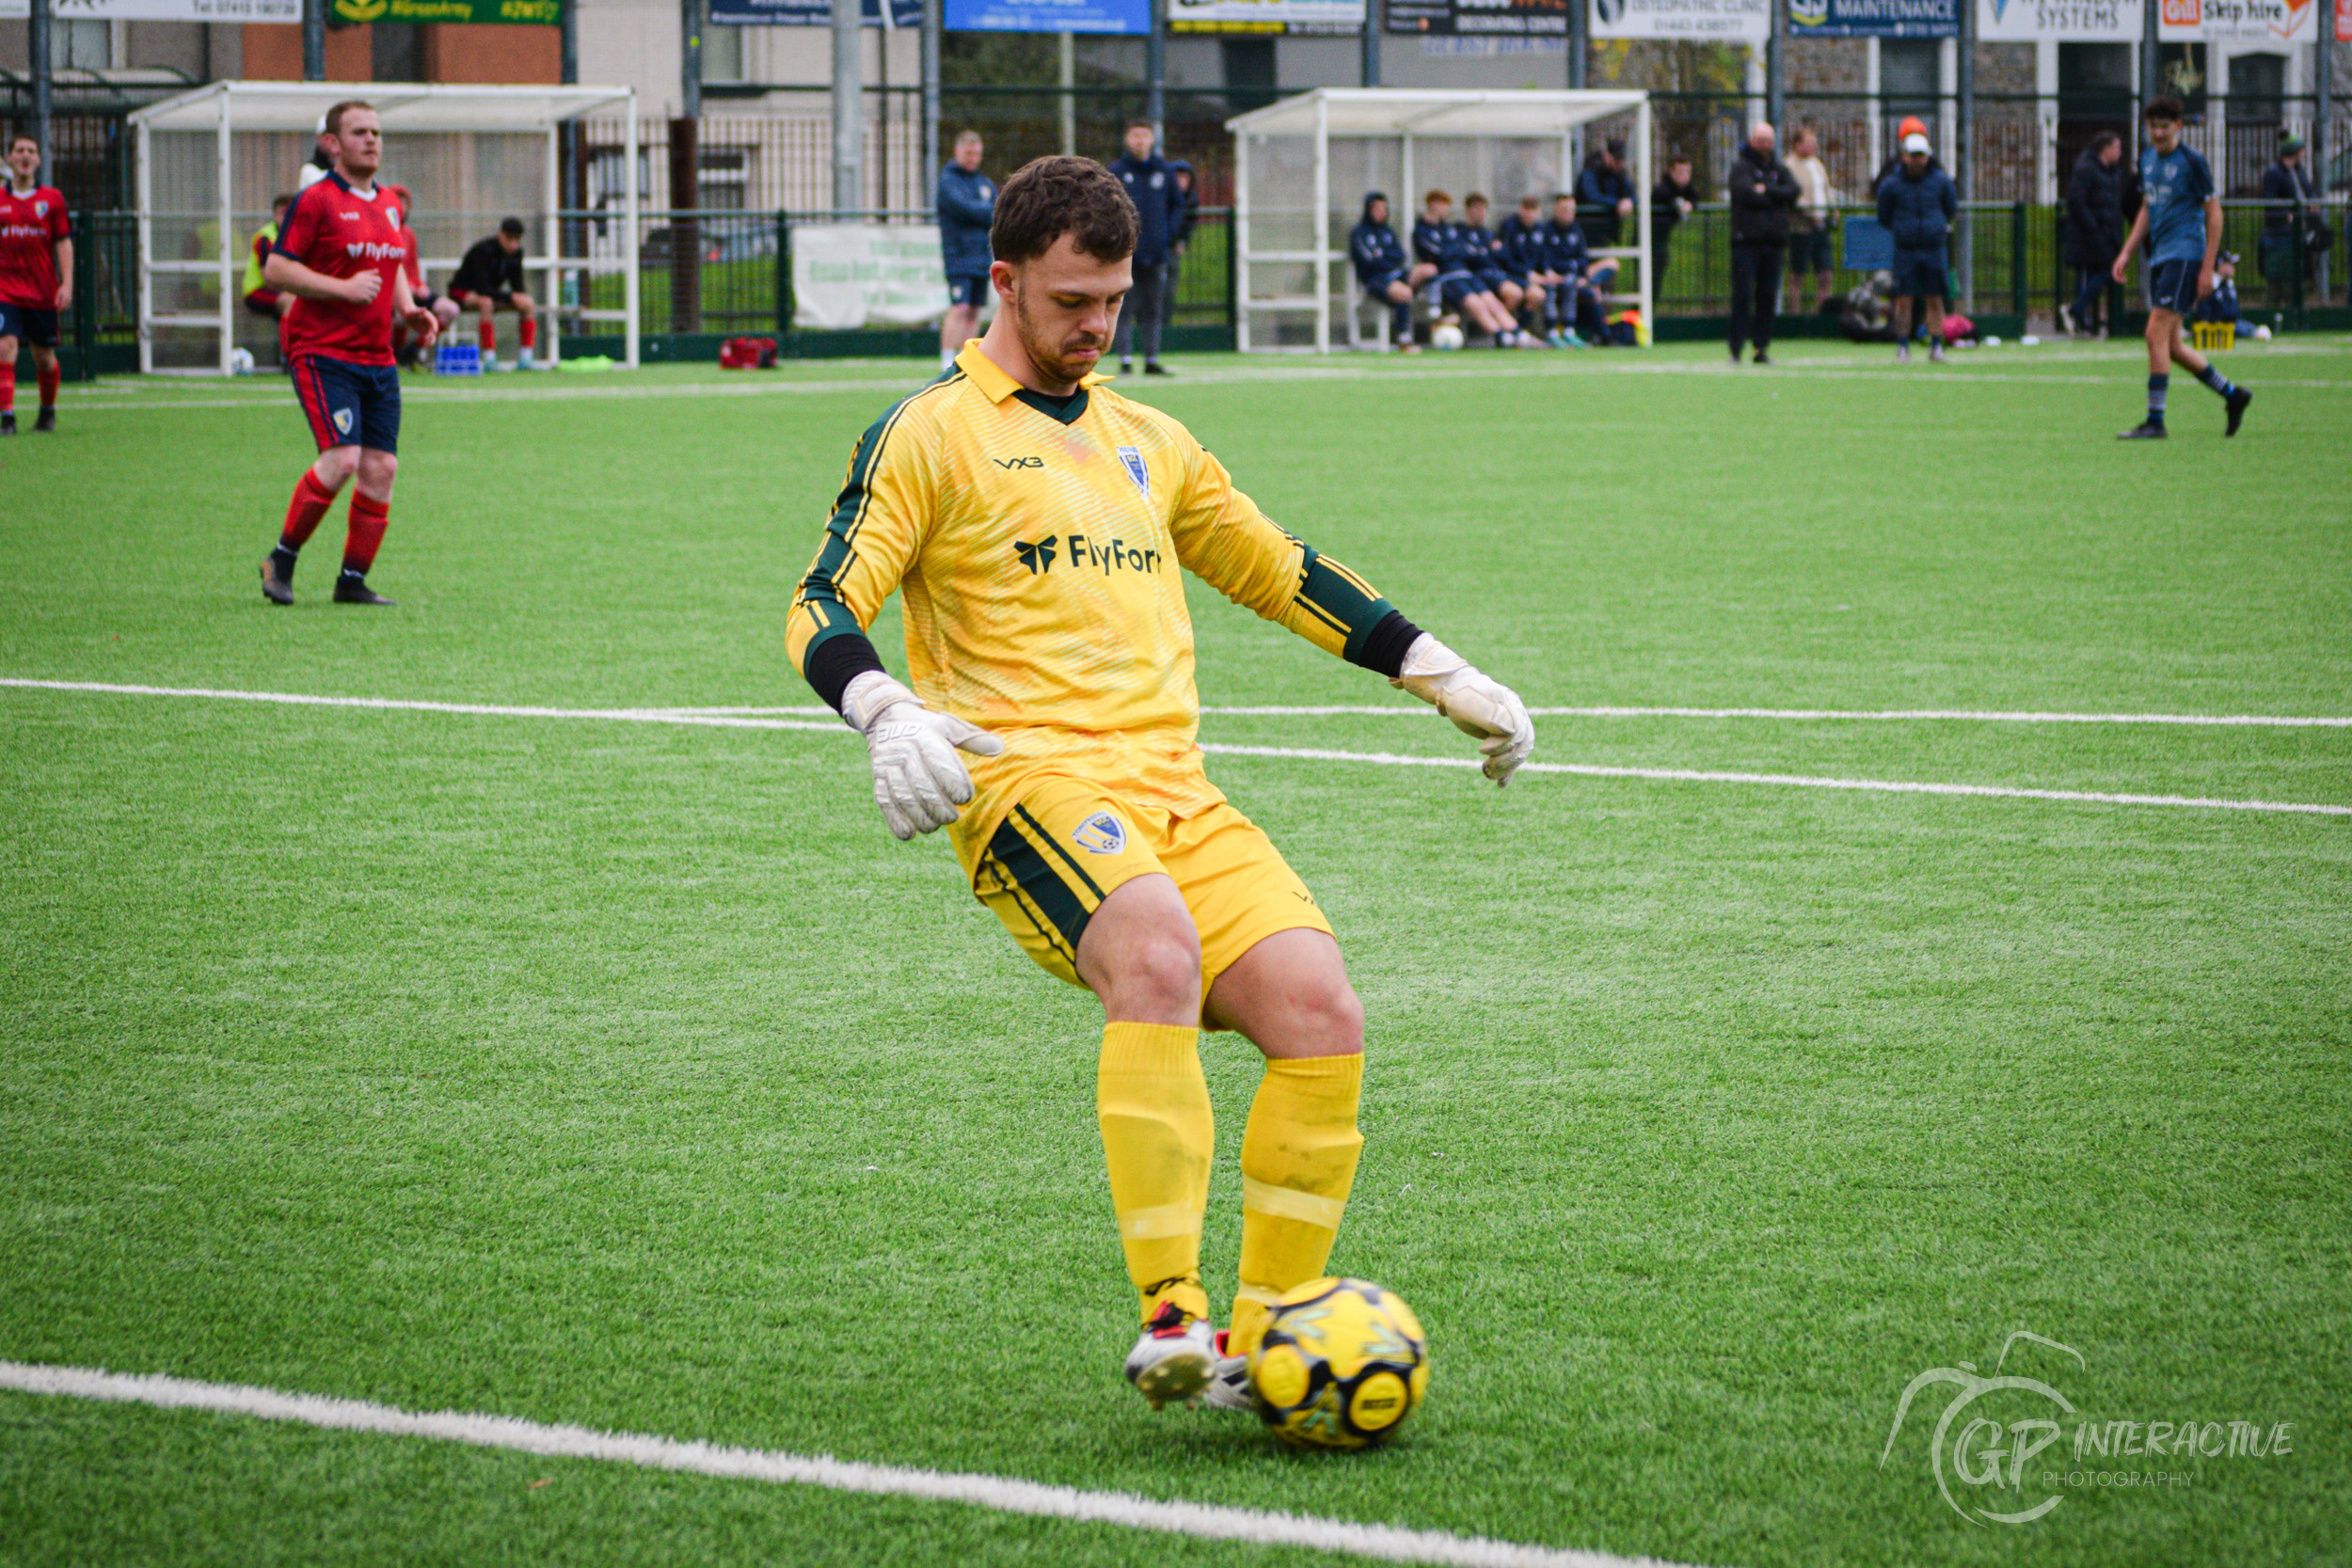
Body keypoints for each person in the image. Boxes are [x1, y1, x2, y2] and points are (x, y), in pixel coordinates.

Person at [783, 154, 1534, 1415]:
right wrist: (879, 705)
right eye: (1073, 301)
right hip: (1025, 784)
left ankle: (1265, 1331)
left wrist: (1439, 669)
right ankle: (1173, 1315)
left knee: (1320, 1010)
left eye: (1115, 300)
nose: (1097, 326)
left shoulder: (1151, 438)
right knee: (1157, 949)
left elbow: (1276, 566)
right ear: (1004, 281)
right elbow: (820, 604)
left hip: (1175, 785)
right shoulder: (930, 433)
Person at [258, 100, 440, 607]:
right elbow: (277, 269)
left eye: (377, 132)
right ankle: (282, 559)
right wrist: (342, 288)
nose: (372, 141)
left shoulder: (387, 203)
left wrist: (408, 309)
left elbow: (392, 263)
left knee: (381, 468)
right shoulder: (314, 200)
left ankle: (352, 581)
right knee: (342, 459)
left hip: (377, 357)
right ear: (332, 144)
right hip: (322, 353)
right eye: (359, 132)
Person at [2111, 96, 2251, 439]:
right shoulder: (2147, 160)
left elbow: (2214, 214)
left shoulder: (2192, 162)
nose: (2158, 133)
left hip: (2186, 256)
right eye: (2153, 127)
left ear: (2178, 126)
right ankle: (2233, 395)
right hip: (2161, 256)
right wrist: (2127, 251)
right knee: (2172, 346)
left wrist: (2208, 268)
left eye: (2164, 126)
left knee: (2153, 333)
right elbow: (2148, 207)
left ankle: (2155, 422)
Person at [0, 132, 73, 435]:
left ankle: (47, 412)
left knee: (43, 357)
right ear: (10, 159)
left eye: (31, 151)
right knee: (5, 346)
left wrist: (66, 284)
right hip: (5, 288)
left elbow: (63, 243)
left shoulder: (52, 199)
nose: (26, 156)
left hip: (42, 290)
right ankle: (7, 417)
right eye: (20, 151)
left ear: (39, 160)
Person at [1108, 121, 1184, 375]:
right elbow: (1106, 206)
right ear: (1127, 140)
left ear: (1152, 139)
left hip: (1157, 252)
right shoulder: (1117, 171)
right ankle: (1126, 359)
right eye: (1135, 135)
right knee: (1123, 306)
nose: (1140, 141)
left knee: (1153, 306)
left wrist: (1168, 235)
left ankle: (1151, 359)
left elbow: (1177, 205)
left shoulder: (1165, 171)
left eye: (1144, 135)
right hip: (1126, 254)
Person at [1877, 132, 1957, 364]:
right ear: (1904, 157)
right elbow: (1883, 215)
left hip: (1933, 248)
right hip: (1906, 249)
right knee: (1904, 299)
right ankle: (1903, 346)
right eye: (1913, 155)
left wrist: (1935, 228)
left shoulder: (1941, 181)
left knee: (1935, 298)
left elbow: (1950, 209)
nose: (1917, 160)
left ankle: (1936, 345)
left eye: (1920, 155)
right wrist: (1904, 229)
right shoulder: (1892, 184)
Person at [1411, 190, 1523, 345]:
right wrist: (1455, 251)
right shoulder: (1421, 230)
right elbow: (1438, 255)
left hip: (1467, 273)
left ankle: (1519, 334)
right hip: (1448, 277)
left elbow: (1464, 252)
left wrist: (1454, 251)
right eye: (1444, 205)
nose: (1447, 209)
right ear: (1433, 205)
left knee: (1492, 301)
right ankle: (1501, 336)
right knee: (1476, 304)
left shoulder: (1449, 229)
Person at [1726, 122, 1798, 365]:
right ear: (1752, 140)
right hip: (1746, 243)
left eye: (1769, 140)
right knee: (1743, 296)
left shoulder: (1779, 168)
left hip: (1774, 242)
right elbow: (1745, 193)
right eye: (1761, 140)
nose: (1765, 145)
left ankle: (1761, 348)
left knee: (1767, 296)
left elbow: (1793, 191)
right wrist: (1775, 197)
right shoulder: (1741, 167)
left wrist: (1766, 190)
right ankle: (1736, 349)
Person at [936, 130, 995, 371]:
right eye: (968, 153)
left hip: (982, 257)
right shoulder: (948, 181)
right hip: (958, 256)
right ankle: (945, 360)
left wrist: (984, 212)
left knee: (974, 310)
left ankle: (966, 359)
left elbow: (998, 210)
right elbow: (965, 209)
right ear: (957, 152)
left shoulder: (984, 183)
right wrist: (985, 212)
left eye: (977, 154)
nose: (973, 158)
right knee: (959, 307)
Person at [448, 217, 538, 372]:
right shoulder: (483, 250)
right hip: (463, 291)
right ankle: (489, 359)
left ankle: (526, 358)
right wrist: (510, 298)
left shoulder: (516, 254)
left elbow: (517, 283)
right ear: (500, 235)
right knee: (486, 303)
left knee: (528, 303)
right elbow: (481, 286)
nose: (513, 244)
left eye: (517, 240)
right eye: (509, 239)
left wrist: (520, 297)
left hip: (490, 294)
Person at [386, 185, 458, 370]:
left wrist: (419, 284)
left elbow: (412, 267)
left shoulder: (409, 233)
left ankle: (414, 349)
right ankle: (396, 355)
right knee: (401, 317)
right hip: (389, 291)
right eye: (397, 202)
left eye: (405, 203)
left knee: (450, 310)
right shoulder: (382, 230)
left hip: (411, 289)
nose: (402, 207)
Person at [2060, 132, 2123, 338]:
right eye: (2116, 148)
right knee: (2091, 275)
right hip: (2087, 236)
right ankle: (2078, 315)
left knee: (2106, 272)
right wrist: (2094, 228)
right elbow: (2077, 202)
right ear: (2105, 149)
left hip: (2105, 233)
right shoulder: (2086, 169)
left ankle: (2078, 314)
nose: (2119, 153)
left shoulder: (2111, 172)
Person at [1348, 192, 1423, 352]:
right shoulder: (1359, 233)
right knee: (1403, 293)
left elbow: (1400, 255)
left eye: (1384, 209)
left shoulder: (1388, 231)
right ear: (1368, 210)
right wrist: (1386, 258)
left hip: (1395, 274)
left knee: (1427, 270)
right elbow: (1368, 261)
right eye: (1377, 208)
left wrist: (1382, 254)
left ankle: (1435, 314)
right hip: (1374, 280)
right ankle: (1404, 338)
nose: (1381, 212)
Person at [2257, 133, 2316, 308]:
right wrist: (2286, 214)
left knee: (2296, 277)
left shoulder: (2298, 170)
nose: (2303, 154)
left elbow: (2307, 190)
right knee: (2276, 278)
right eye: (2301, 150)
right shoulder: (2273, 173)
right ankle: (2273, 311)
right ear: (2292, 152)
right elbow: (2270, 200)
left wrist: (2312, 202)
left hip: (2297, 232)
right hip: (2279, 234)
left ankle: (2294, 312)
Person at [1542, 192, 1607, 346]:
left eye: (1571, 210)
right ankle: (1552, 332)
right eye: (1564, 209)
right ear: (1556, 210)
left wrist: (1584, 277)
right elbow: (1546, 259)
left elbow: (1582, 258)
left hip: (1572, 277)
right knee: (1550, 287)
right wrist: (1552, 271)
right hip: (1552, 277)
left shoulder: (1576, 230)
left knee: (1577, 286)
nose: (1568, 213)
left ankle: (1571, 332)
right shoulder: (1547, 230)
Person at [1785, 129, 1836, 315]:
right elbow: (1793, 196)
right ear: (1797, 144)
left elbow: (1826, 188)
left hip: (1822, 227)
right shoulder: (1789, 166)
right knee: (1797, 275)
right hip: (1801, 228)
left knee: (1825, 274)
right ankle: (1794, 316)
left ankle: (1822, 314)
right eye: (1809, 142)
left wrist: (1832, 208)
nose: (1814, 146)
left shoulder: (1817, 163)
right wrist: (1811, 212)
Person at [1458, 194, 1527, 320]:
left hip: (1499, 272)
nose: (1481, 213)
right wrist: (1487, 252)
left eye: (1483, 209)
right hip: (1480, 275)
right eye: (1477, 208)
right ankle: (1504, 327)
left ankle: (1514, 326)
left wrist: (1489, 252)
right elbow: (1469, 256)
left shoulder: (1487, 233)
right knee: (1514, 293)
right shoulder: (1460, 231)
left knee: (1536, 294)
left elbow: (1504, 255)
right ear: (1468, 210)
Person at [244, 195, 296, 350]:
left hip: (280, 290)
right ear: (274, 215)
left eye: (288, 212)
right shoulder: (265, 238)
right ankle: (288, 354)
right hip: (256, 291)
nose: (285, 217)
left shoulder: (294, 236)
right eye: (281, 213)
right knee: (289, 301)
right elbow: (269, 277)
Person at [1497, 195, 1553, 339]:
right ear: (1521, 210)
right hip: (1510, 275)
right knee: (1525, 294)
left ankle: (1521, 330)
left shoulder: (1541, 229)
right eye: (1526, 209)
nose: (1529, 214)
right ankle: (1507, 332)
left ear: (1538, 211)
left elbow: (1544, 255)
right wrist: (1528, 274)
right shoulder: (1510, 227)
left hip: (1532, 277)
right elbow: (1506, 259)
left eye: (1533, 210)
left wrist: (1547, 272)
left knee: (1543, 293)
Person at [1576, 137, 1636, 252]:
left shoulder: (1621, 175)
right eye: (1616, 159)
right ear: (1606, 156)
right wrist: (1617, 203)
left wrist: (1629, 201)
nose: (1619, 163)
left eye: (1621, 159)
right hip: (1587, 228)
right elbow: (1592, 196)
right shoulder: (1590, 171)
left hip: (1607, 231)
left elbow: (1632, 193)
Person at [1649, 155, 1696, 289]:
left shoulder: (1684, 188)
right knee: (1649, 281)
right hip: (1651, 239)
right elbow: (1665, 197)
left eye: (1688, 172)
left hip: (1661, 241)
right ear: (1671, 172)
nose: (1685, 177)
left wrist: (1690, 204)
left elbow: (1694, 196)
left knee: (1657, 282)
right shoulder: (1663, 188)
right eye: (1680, 172)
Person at [2193, 249, 2241, 326]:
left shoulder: (2229, 284)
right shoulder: (2210, 284)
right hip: (2217, 326)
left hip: (2234, 324)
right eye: (2230, 264)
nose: (2233, 267)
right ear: (2220, 265)